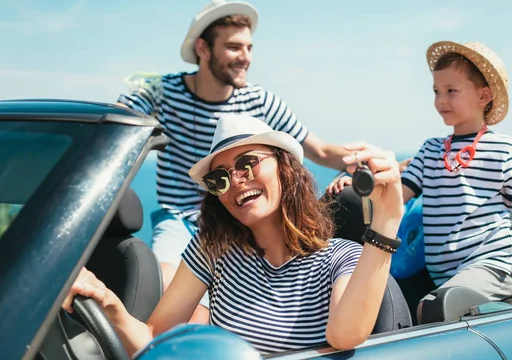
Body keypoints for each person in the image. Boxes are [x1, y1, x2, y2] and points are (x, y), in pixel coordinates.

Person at [62, 114, 407, 356]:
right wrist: (107, 302)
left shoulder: (341, 258)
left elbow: (344, 336)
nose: (236, 180)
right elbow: (154, 339)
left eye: (247, 163)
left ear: (285, 167)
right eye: (220, 178)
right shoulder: (213, 251)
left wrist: (387, 220)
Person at [117, 0, 353, 322]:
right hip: (180, 221)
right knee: (164, 283)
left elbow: (321, 151)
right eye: (234, 47)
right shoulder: (163, 92)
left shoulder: (260, 100)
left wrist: (373, 162)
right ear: (203, 48)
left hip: (239, 219)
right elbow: (120, 118)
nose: (246, 58)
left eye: (249, 48)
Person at [327, 41, 512, 322]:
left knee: (432, 308)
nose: (441, 101)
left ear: (484, 95)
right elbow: (396, 196)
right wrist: (356, 187)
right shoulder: (431, 150)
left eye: (451, 91)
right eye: (436, 92)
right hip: (447, 274)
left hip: (494, 266)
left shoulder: (506, 149)